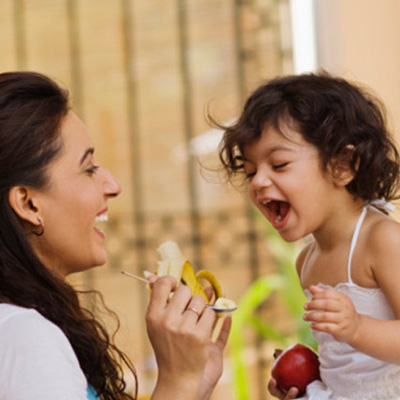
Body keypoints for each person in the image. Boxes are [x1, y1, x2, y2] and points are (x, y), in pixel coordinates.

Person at [0, 71, 231, 400]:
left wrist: (193, 383)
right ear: (28, 203)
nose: (113, 185)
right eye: (89, 168)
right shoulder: (24, 338)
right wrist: (177, 380)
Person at [216, 71, 400, 399]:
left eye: (279, 164)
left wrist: (358, 327)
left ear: (343, 165)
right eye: (250, 171)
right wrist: (306, 382)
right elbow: (346, 364)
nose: (258, 182)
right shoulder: (307, 261)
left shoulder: (382, 240)